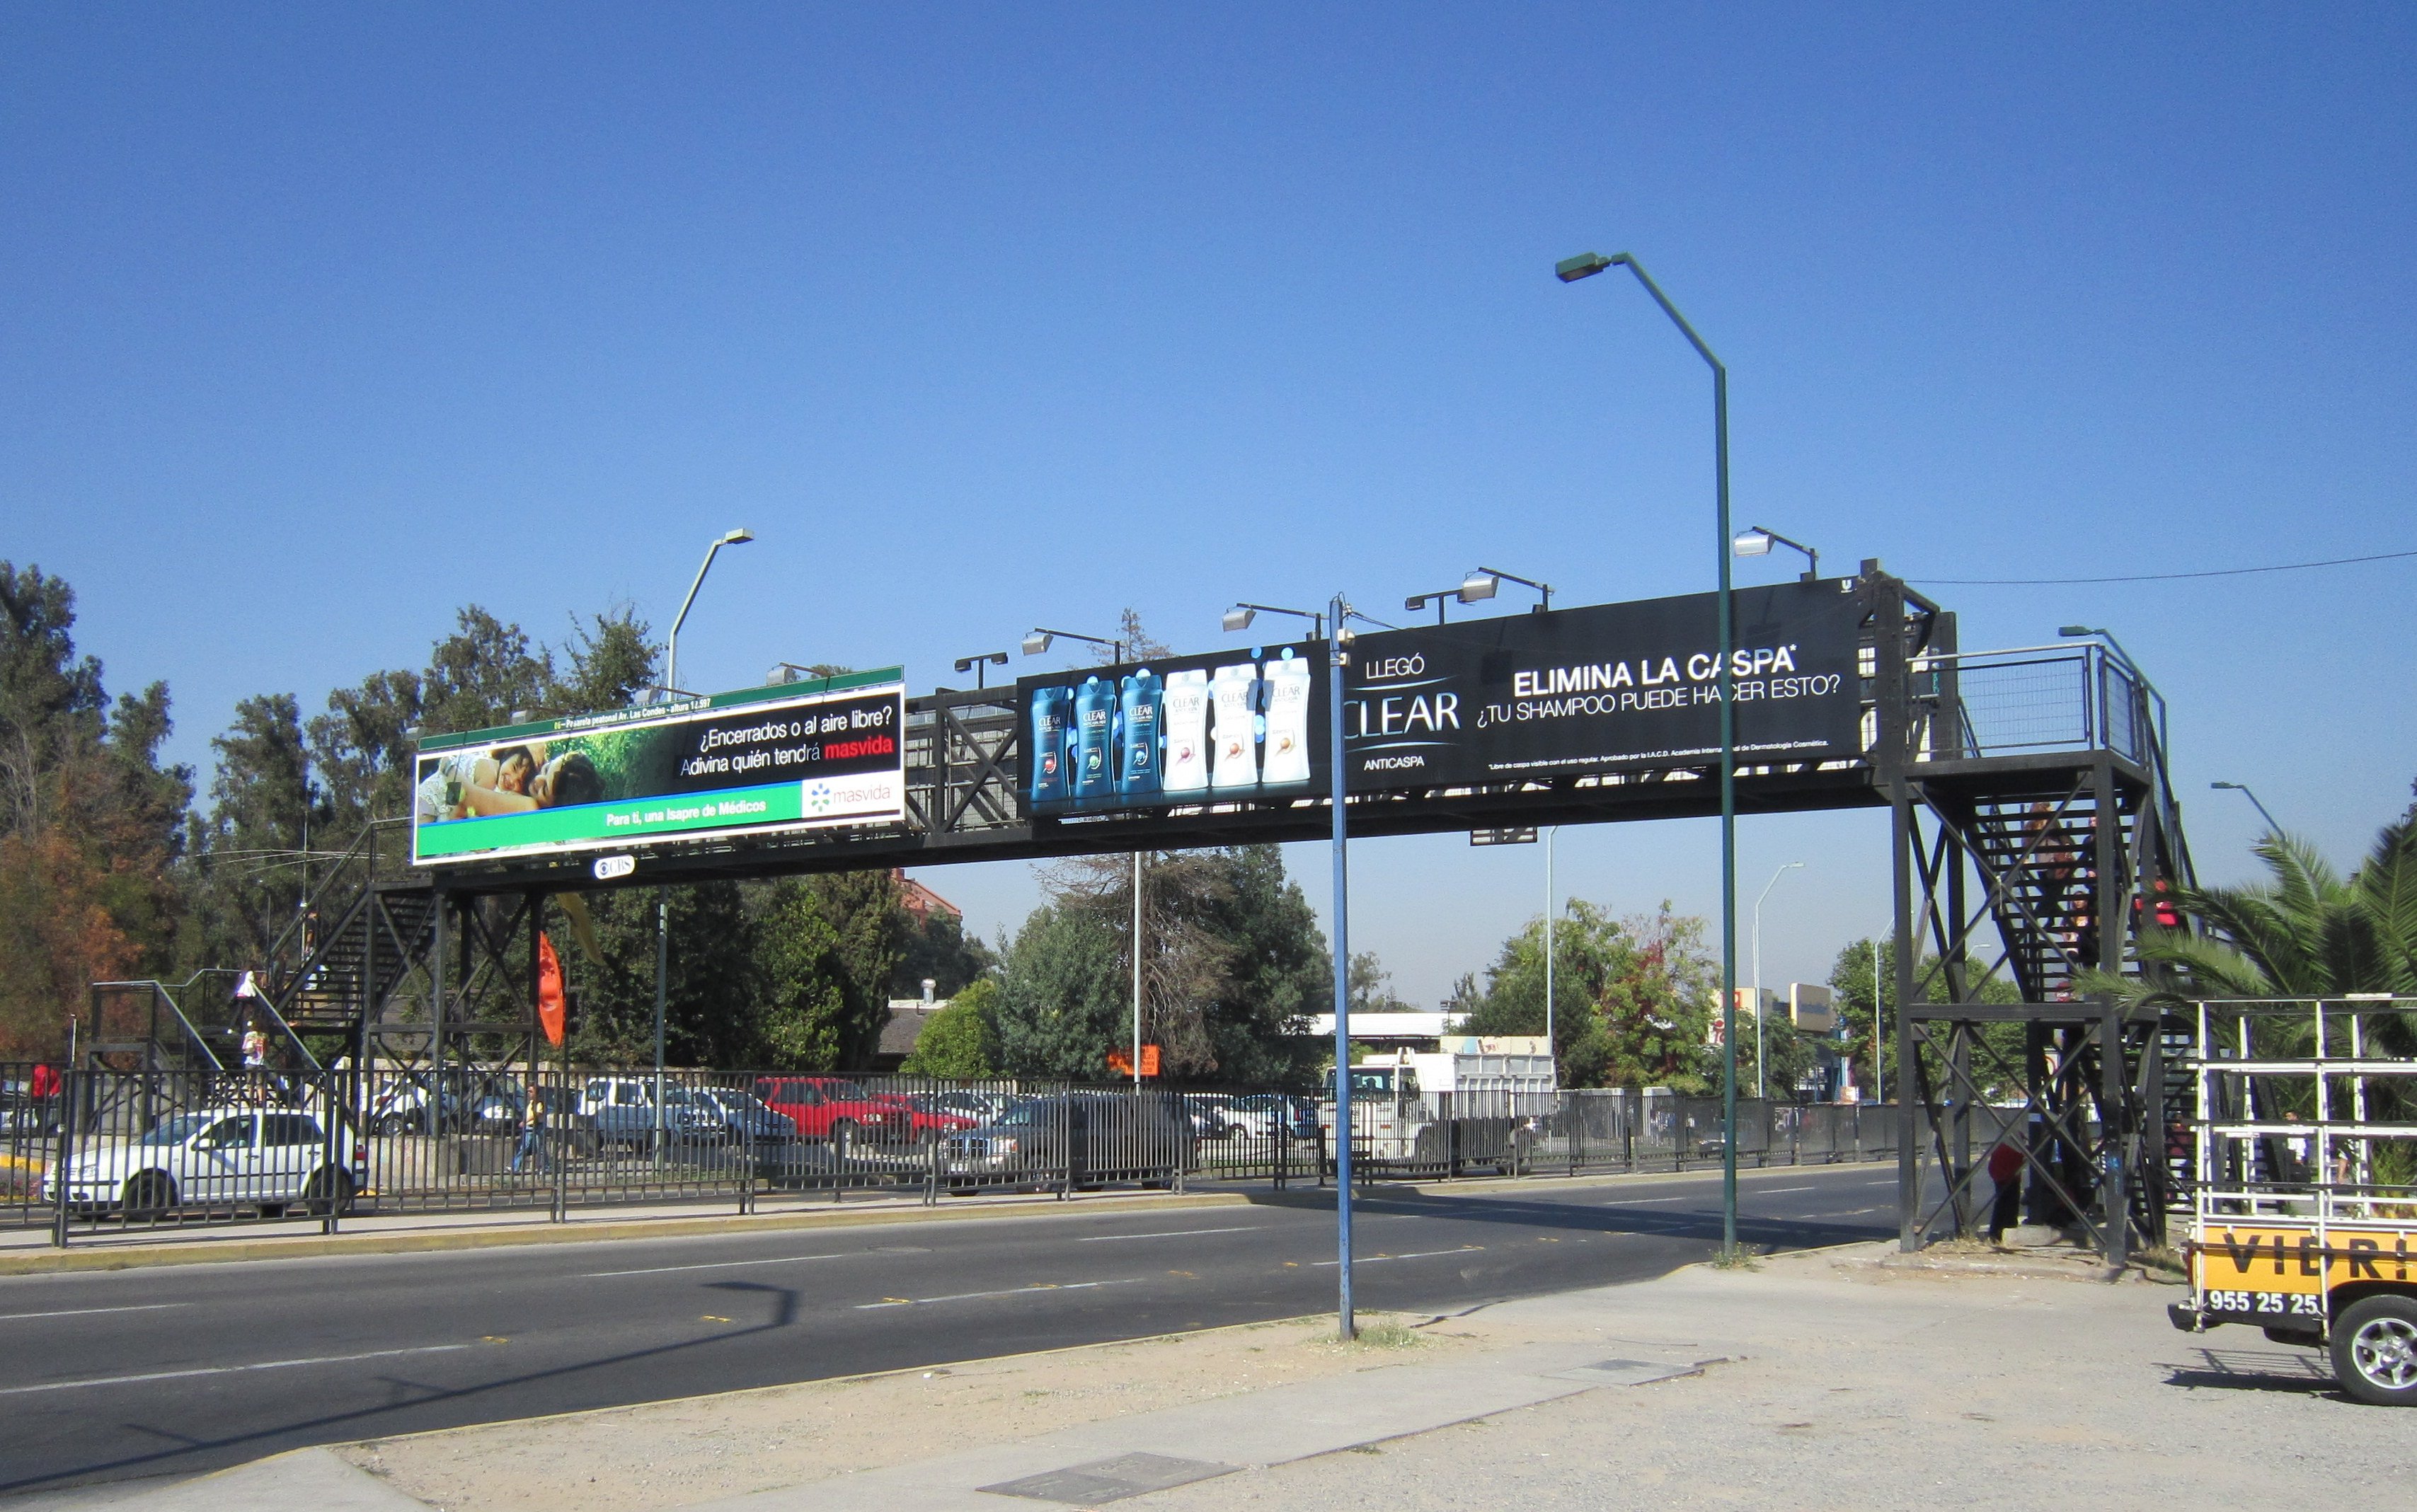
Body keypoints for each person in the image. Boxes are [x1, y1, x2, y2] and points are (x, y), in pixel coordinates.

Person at [1986, 1131, 2025, 1243]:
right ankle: (2007, 1230)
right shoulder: (2012, 1149)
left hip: (2001, 1177)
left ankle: (1996, 1233)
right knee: (2010, 1205)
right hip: (2009, 1177)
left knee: (2001, 1204)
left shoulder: (2002, 1147)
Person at [511, 1094, 548, 1176]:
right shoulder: (531, 1102)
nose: (529, 1093)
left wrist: (525, 1121)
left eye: (531, 1091)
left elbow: (537, 1114)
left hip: (537, 1126)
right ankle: (516, 1167)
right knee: (524, 1147)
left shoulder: (539, 1103)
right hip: (529, 1126)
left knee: (540, 1147)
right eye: (528, 1091)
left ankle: (546, 1166)